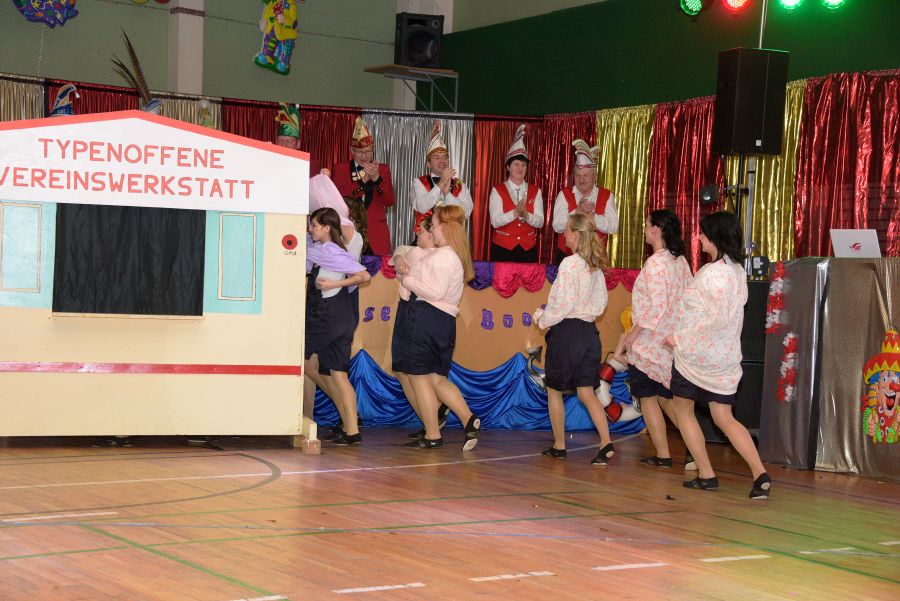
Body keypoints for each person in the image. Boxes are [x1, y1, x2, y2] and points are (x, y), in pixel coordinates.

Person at [665, 211, 771, 499]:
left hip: (696, 356)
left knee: (682, 409)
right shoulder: (737, 271)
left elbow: (710, 319)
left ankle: (706, 473)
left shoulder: (712, 273)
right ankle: (760, 473)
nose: (699, 238)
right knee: (724, 417)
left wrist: (679, 338)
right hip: (724, 358)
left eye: (703, 233)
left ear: (715, 237)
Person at [395, 205, 480, 450]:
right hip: (441, 322)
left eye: (432, 225)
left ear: (444, 228)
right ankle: (468, 419)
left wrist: (406, 279)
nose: (430, 230)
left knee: (419, 377)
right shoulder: (449, 256)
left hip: (427, 319)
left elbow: (434, 292)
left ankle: (433, 434)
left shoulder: (443, 257)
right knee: (436, 379)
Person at [533, 213, 614, 465]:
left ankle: (559, 445)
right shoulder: (595, 268)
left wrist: (543, 318)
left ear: (577, 235)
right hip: (589, 333)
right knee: (586, 392)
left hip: (568, 333)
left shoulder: (570, 264)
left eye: (567, 230)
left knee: (554, 390)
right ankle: (606, 442)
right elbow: (601, 304)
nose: (564, 234)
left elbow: (564, 303)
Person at [620, 209, 694, 469]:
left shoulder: (656, 263)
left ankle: (663, 454)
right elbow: (689, 299)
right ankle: (694, 449)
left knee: (649, 397)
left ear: (656, 229)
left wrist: (633, 334)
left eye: (647, 225)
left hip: (650, 343)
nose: (644, 229)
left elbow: (656, 308)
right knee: (667, 398)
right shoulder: (680, 261)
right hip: (670, 342)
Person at [305, 207, 371, 446]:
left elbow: (364, 276)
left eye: (314, 225)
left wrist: (335, 284)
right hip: (340, 317)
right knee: (337, 374)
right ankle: (352, 429)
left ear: (326, 228)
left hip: (328, 317)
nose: (310, 229)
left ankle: (346, 415)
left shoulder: (329, 250)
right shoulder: (322, 250)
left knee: (304, 362)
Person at [389, 218, 451, 439]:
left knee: (409, 372)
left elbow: (399, 268)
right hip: (419, 312)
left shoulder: (421, 254)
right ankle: (432, 418)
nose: (417, 235)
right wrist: (399, 257)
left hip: (412, 311)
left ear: (432, 234)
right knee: (412, 373)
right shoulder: (436, 255)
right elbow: (399, 254)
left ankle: (432, 421)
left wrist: (399, 259)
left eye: (422, 231)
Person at [332, 117, 396, 256]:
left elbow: (389, 201)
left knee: (378, 270)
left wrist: (376, 178)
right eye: (360, 152)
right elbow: (340, 199)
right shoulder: (341, 169)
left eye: (368, 151)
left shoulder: (382, 169)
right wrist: (363, 181)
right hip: (348, 234)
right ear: (352, 150)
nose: (364, 156)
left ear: (373, 150)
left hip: (376, 236)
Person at [551, 139, 618, 264]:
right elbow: (557, 226)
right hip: (566, 257)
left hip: (596, 258)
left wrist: (592, 216)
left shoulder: (607, 195)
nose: (581, 180)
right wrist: (577, 211)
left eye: (585, 175)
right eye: (578, 175)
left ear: (595, 176)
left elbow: (613, 227)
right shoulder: (564, 194)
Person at [489, 124, 544, 263]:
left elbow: (540, 222)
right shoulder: (497, 190)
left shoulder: (536, 191)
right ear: (508, 167)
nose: (521, 168)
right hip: (502, 249)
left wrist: (526, 215)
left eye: (524, 165)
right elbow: (495, 221)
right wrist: (515, 213)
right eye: (516, 164)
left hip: (528, 249)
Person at [411, 121, 473, 231]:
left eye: (445, 157)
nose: (442, 161)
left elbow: (466, 213)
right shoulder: (419, 182)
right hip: (426, 237)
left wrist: (447, 194)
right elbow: (421, 207)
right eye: (436, 157)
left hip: (452, 237)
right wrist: (440, 185)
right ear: (428, 164)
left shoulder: (460, 185)